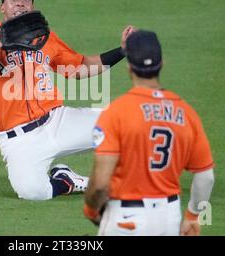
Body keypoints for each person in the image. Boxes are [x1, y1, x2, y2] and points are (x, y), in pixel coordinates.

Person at [0, 0, 126, 200]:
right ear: (2, 7)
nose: (20, 3)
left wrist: (122, 51)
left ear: (32, 7)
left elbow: (81, 68)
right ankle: (66, 180)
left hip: (58, 121)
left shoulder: (44, 37)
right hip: (19, 140)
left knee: (126, 124)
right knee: (32, 192)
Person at [83, 29, 215, 235]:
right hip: (168, 218)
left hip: (125, 218)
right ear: (162, 64)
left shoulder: (116, 112)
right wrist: (192, 216)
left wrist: (90, 209)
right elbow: (206, 177)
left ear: (129, 68)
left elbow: (100, 184)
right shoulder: (186, 112)